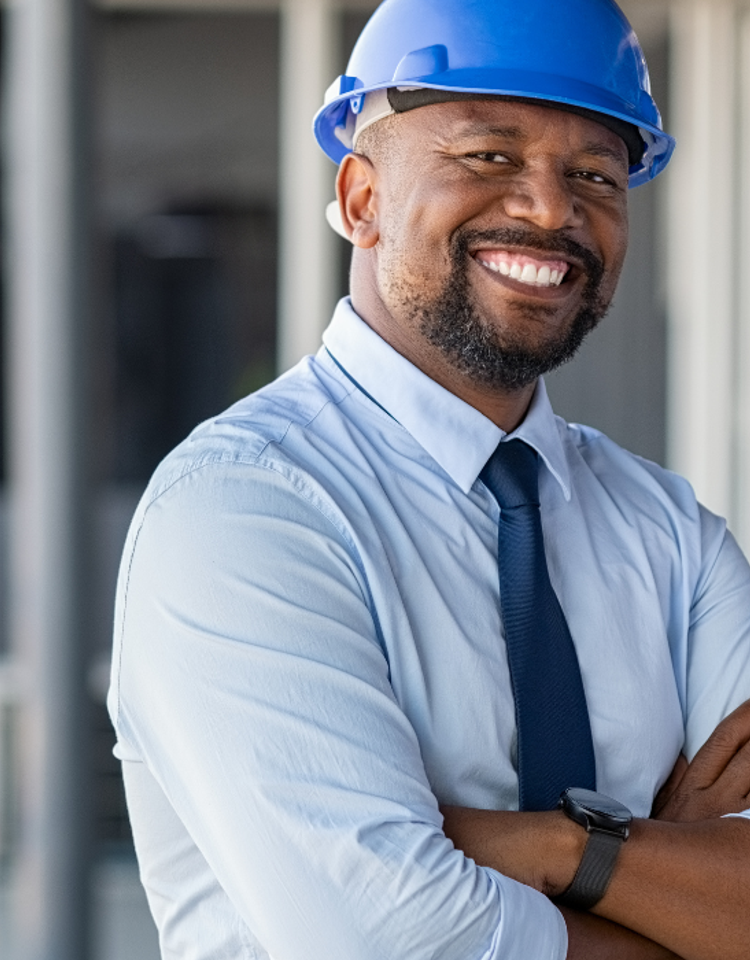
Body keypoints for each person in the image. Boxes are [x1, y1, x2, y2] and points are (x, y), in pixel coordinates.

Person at [108, 1, 750, 957]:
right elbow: (392, 942)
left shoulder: (672, 536)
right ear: (361, 199)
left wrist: (558, 847)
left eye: (593, 174)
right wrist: (671, 877)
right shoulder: (242, 511)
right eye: (490, 156)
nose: (548, 208)